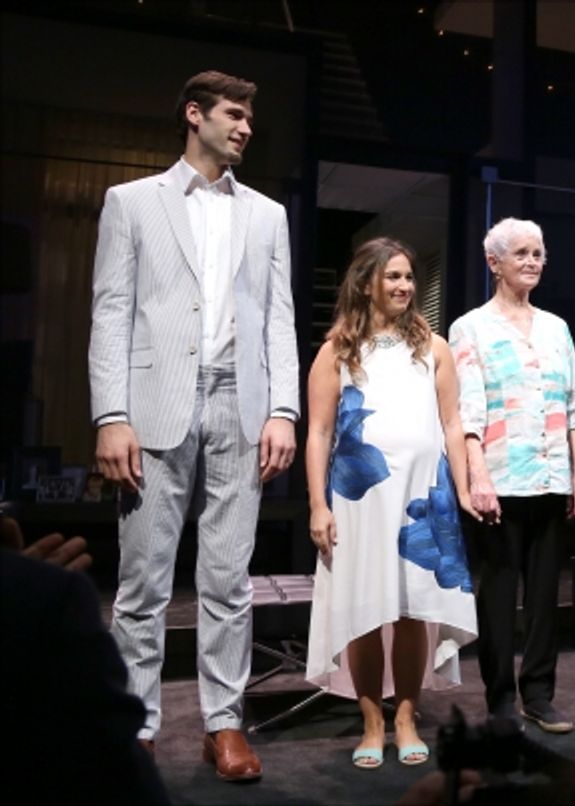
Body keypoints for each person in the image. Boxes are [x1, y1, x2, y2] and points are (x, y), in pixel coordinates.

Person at [88, 70, 299, 781]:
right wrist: (111, 415)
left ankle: (224, 725)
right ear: (194, 115)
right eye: (233, 115)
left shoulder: (267, 214)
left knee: (228, 579)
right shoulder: (131, 202)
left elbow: (279, 317)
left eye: (248, 118)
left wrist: (283, 409)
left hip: (240, 403)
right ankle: (137, 727)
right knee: (143, 584)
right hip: (155, 404)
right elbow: (112, 311)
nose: (244, 128)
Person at [305, 238, 478, 768]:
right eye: (394, 277)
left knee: (411, 611)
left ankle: (406, 716)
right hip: (359, 499)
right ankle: (372, 722)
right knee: (362, 610)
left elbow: (453, 423)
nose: (404, 287)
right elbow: (318, 431)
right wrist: (317, 504)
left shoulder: (434, 346)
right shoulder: (337, 349)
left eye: (409, 277)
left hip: (423, 494)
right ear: (365, 283)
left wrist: (464, 489)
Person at [449, 218, 575, 734]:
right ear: (495, 263)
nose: (532, 262)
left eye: (538, 253)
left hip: (552, 478)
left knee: (545, 597)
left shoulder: (556, 327)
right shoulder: (470, 327)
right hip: (501, 482)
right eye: (522, 254)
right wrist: (478, 477)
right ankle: (500, 699)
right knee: (499, 597)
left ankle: (539, 693)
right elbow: (469, 412)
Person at [0, 545, 170, 805]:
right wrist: (28, 603)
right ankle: (142, 733)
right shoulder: (52, 596)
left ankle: (222, 724)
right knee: (143, 592)